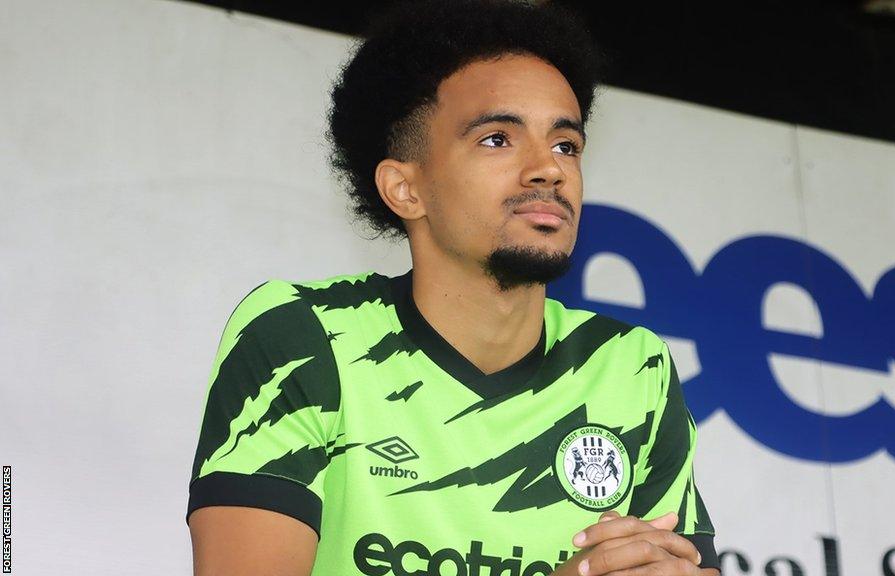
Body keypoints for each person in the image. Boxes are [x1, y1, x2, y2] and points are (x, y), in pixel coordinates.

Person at [185, 1, 720, 575]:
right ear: (404, 189)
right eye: (497, 139)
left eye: (566, 145)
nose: (550, 169)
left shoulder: (631, 367)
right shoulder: (303, 336)